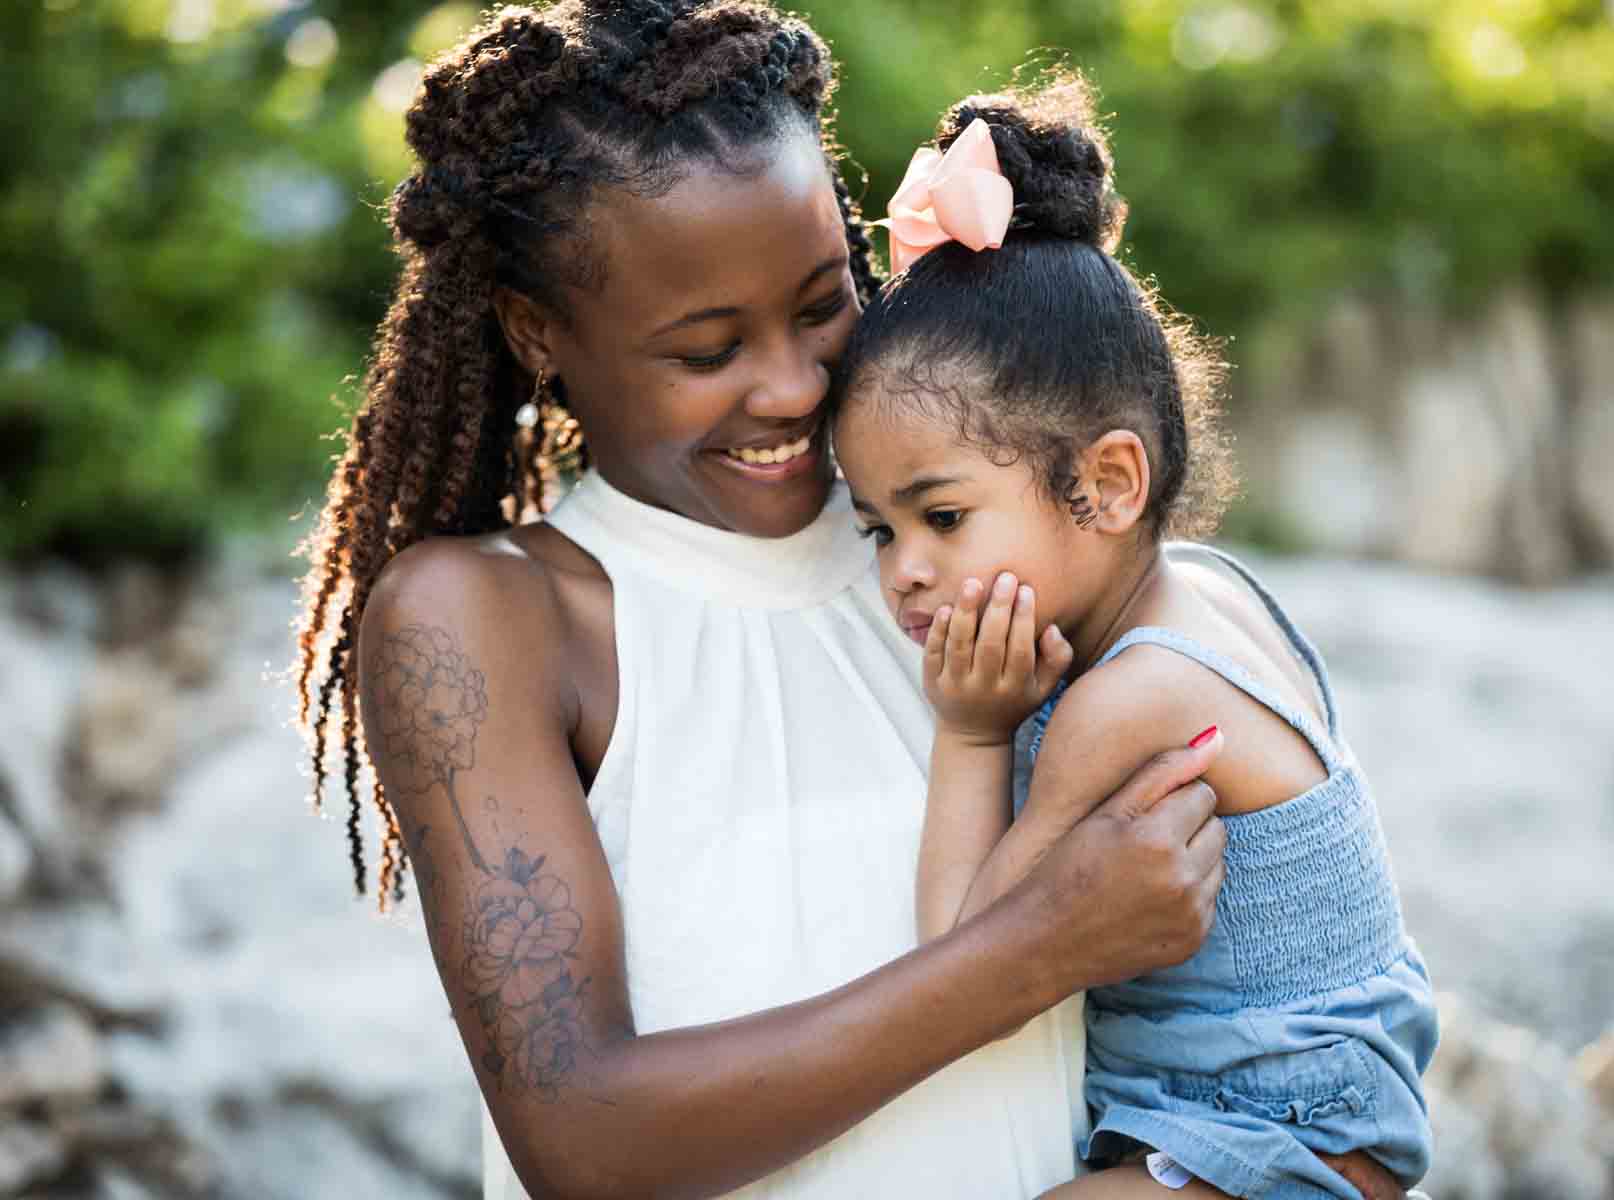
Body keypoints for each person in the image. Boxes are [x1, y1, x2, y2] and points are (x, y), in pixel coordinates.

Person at [291, 2, 1408, 1197]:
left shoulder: (954, 541)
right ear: (538, 330)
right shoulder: (490, 620)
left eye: (824, 302)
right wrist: (1031, 952)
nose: (788, 386)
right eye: (707, 351)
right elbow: (581, 1138)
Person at [831, 76, 1437, 1199]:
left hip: (1271, 1132)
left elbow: (966, 963)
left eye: (943, 516)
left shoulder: (1129, 699)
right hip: (1336, 1094)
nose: (904, 567)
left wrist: (970, 732)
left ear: (1108, 483)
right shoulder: (1210, 586)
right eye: (877, 528)